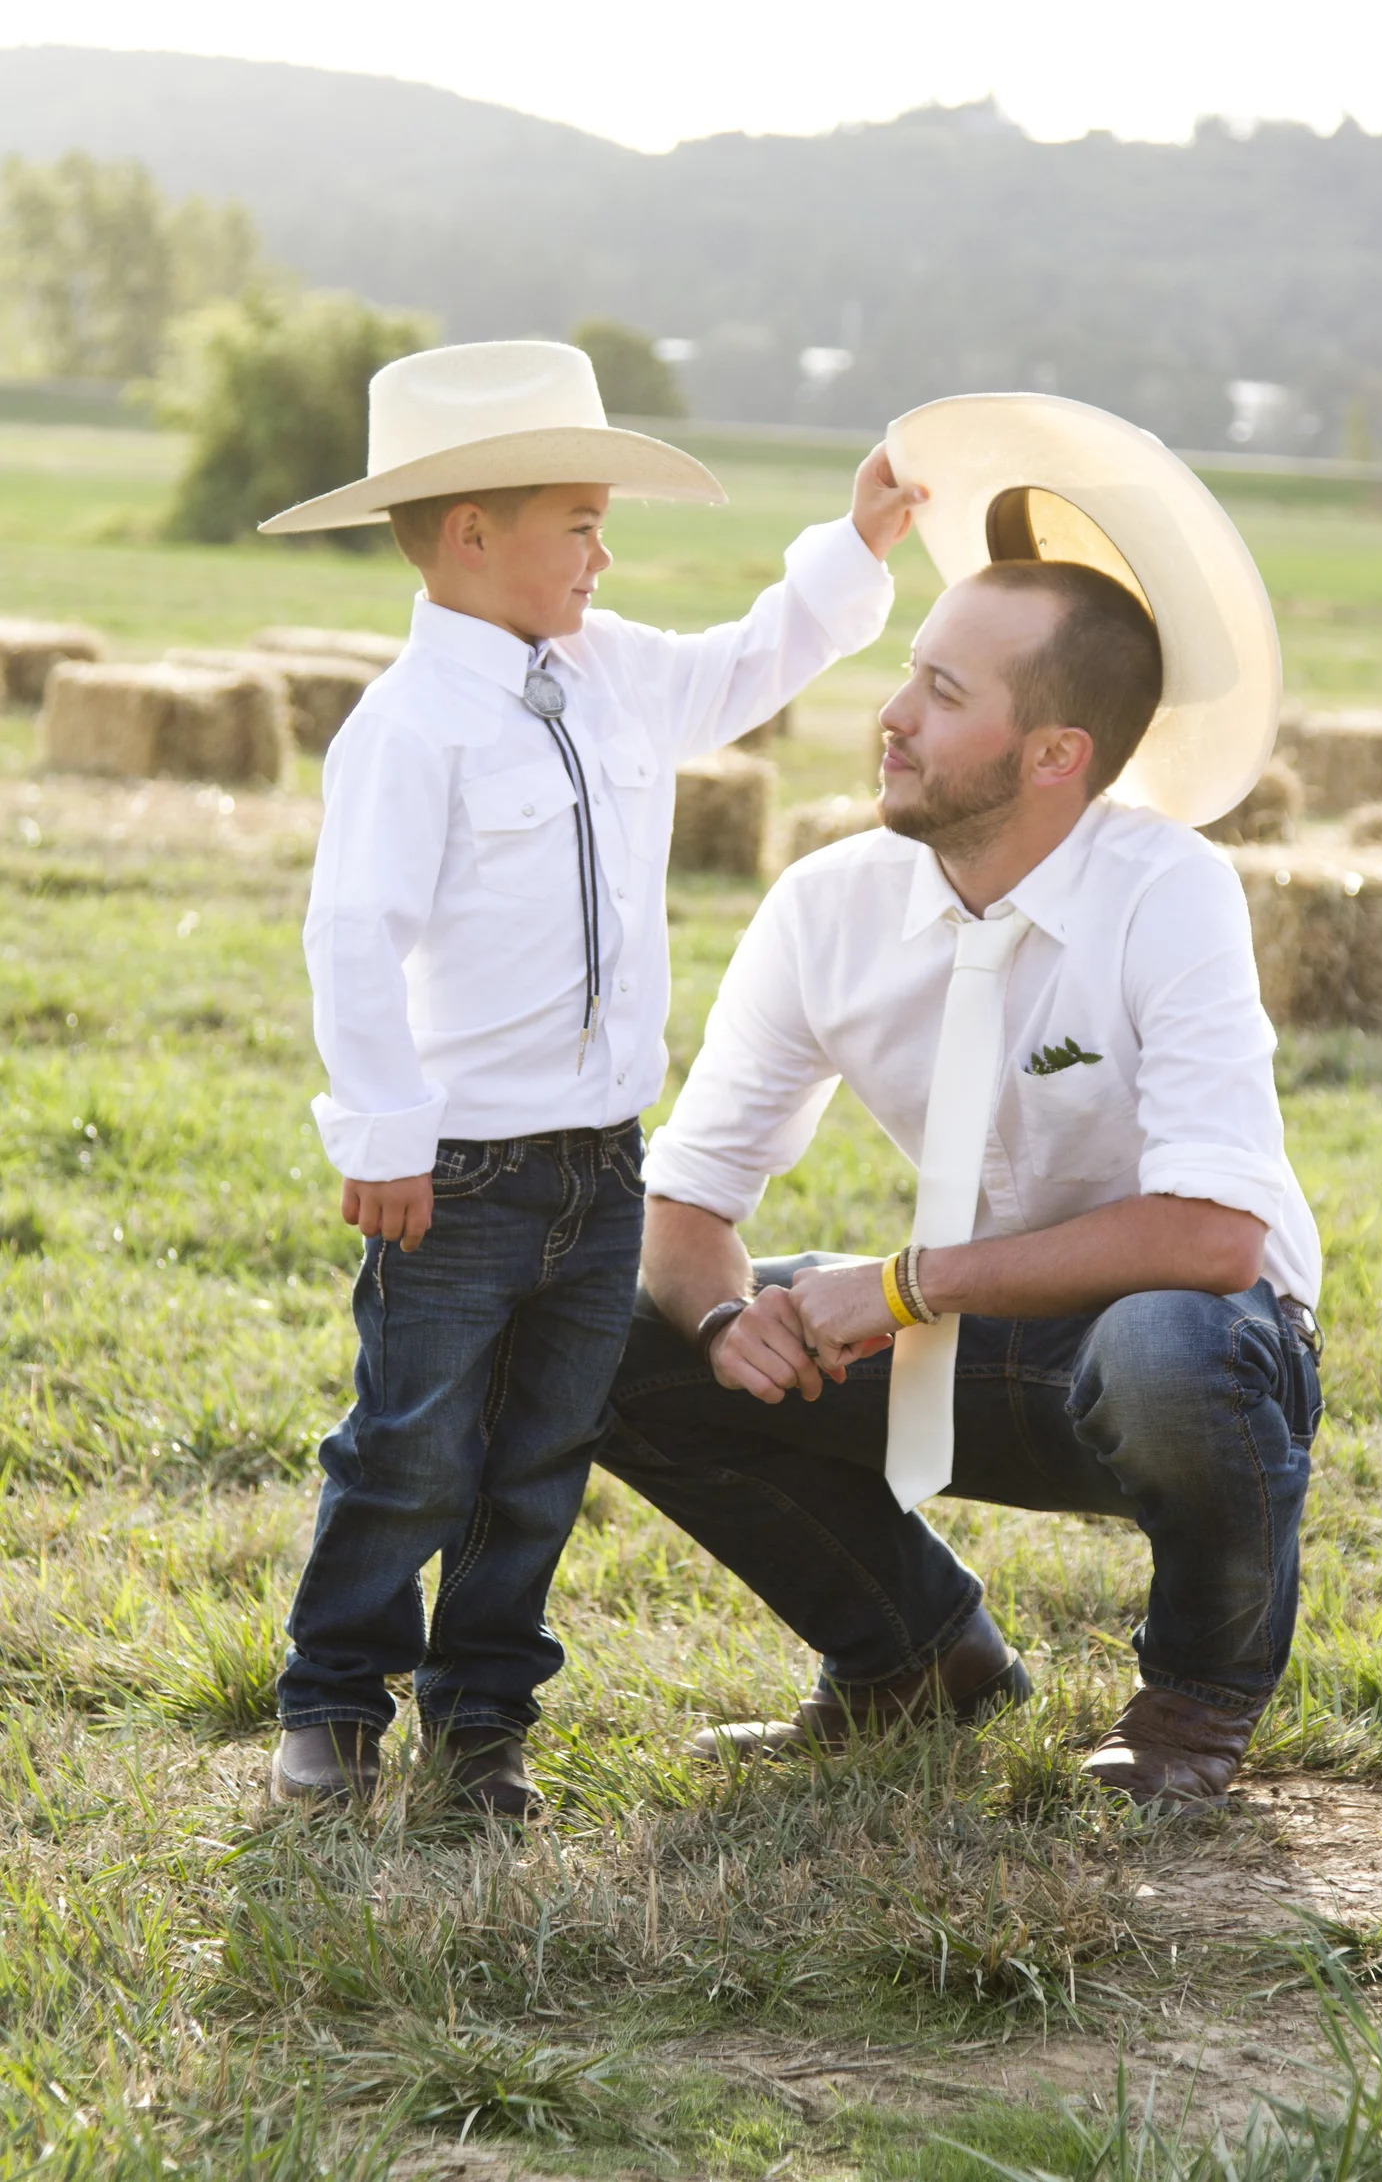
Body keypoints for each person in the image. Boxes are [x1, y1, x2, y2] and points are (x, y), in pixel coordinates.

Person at [601, 393, 1324, 1815]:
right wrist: (718, 1318)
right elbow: (683, 1205)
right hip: (970, 1340)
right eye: (910, 672)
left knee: (1172, 1347)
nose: (887, 713)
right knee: (611, 1339)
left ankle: (1190, 1704)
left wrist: (907, 1283)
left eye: (943, 692)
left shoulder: (1170, 889)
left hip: (1193, 1352)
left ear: (1056, 754)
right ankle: (918, 1656)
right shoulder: (826, 903)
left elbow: (1215, 1241)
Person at [258, 339, 920, 1813]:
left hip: (602, 1164)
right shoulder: (409, 726)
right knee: (412, 1442)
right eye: (580, 522)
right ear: (474, 536)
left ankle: (484, 1714)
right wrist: (381, 1128)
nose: (605, 553)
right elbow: (354, 934)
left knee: (546, 1448)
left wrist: (854, 542)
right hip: (463, 1171)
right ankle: (333, 1699)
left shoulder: (615, 674)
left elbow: (752, 661)